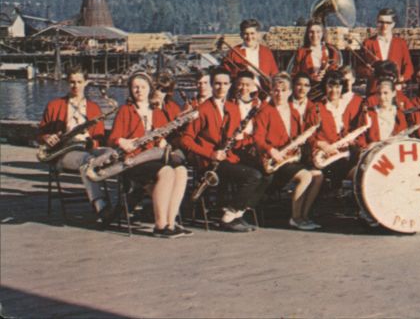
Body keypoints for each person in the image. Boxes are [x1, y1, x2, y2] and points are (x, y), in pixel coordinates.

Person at [180, 67, 267, 232]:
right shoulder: (202, 109)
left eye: (225, 83)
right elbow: (186, 139)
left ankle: (237, 213)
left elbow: (232, 137)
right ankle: (228, 216)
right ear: (212, 86)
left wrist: (247, 141)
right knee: (253, 176)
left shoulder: (232, 107)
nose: (221, 87)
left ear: (230, 85)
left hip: (228, 157)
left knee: (265, 174)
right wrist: (210, 153)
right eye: (217, 84)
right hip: (210, 163)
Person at [108, 72, 189, 237]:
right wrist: (121, 141)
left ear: (149, 89)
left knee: (181, 171)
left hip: (154, 157)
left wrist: (163, 141)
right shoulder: (125, 110)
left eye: (143, 87)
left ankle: (171, 222)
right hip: (133, 161)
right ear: (130, 90)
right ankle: (160, 226)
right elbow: (112, 138)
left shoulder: (157, 111)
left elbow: (162, 135)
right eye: (135, 87)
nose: (139, 90)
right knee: (166, 172)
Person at [37, 65, 112, 225]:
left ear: (86, 82)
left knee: (111, 152)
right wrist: (47, 137)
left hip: (89, 149)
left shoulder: (94, 108)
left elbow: (99, 137)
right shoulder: (54, 105)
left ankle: (126, 203)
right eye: (72, 82)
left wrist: (95, 145)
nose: (75, 86)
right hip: (65, 153)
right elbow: (41, 133)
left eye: (79, 82)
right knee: (87, 160)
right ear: (67, 83)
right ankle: (100, 205)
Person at [254, 73, 324, 231]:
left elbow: (298, 137)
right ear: (271, 91)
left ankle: (304, 216)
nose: (279, 94)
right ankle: (295, 217)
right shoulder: (265, 111)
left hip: (289, 158)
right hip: (273, 160)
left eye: (283, 90)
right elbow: (257, 138)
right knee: (306, 176)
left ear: (290, 92)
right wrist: (272, 151)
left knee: (318, 176)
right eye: (276, 90)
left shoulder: (293, 111)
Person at [308, 70, 365, 188]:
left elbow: (346, 131)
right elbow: (308, 136)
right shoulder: (317, 108)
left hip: (343, 151)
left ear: (342, 87)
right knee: (357, 173)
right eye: (330, 86)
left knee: (364, 166)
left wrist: (351, 140)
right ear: (325, 87)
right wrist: (321, 144)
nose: (334, 91)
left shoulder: (344, 107)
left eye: (337, 86)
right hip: (325, 154)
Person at [360, 8, 414, 86]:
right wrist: (367, 71)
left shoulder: (401, 43)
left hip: (395, 88)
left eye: (388, 22)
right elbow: (359, 68)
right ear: (376, 22)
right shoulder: (368, 43)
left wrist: (402, 78)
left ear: (393, 24)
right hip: (374, 88)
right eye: (381, 22)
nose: (384, 26)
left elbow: (408, 66)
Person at [221, 19, 279, 89]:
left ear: (258, 34)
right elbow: (225, 75)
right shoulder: (234, 52)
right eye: (246, 34)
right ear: (241, 35)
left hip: (263, 94)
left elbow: (274, 73)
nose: (249, 37)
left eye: (252, 33)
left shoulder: (266, 52)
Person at [292, 18, 341, 83]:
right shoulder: (301, 52)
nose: (315, 35)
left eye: (318, 32)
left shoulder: (331, 51)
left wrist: (327, 73)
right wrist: (311, 78)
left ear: (323, 33)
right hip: (308, 90)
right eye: (311, 32)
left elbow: (337, 75)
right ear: (307, 34)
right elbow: (295, 76)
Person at [363, 77, 408, 146]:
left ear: (393, 93)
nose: (382, 97)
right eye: (379, 93)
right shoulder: (369, 113)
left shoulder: (399, 114)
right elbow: (361, 138)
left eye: (385, 93)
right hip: (374, 153)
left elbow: (404, 136)